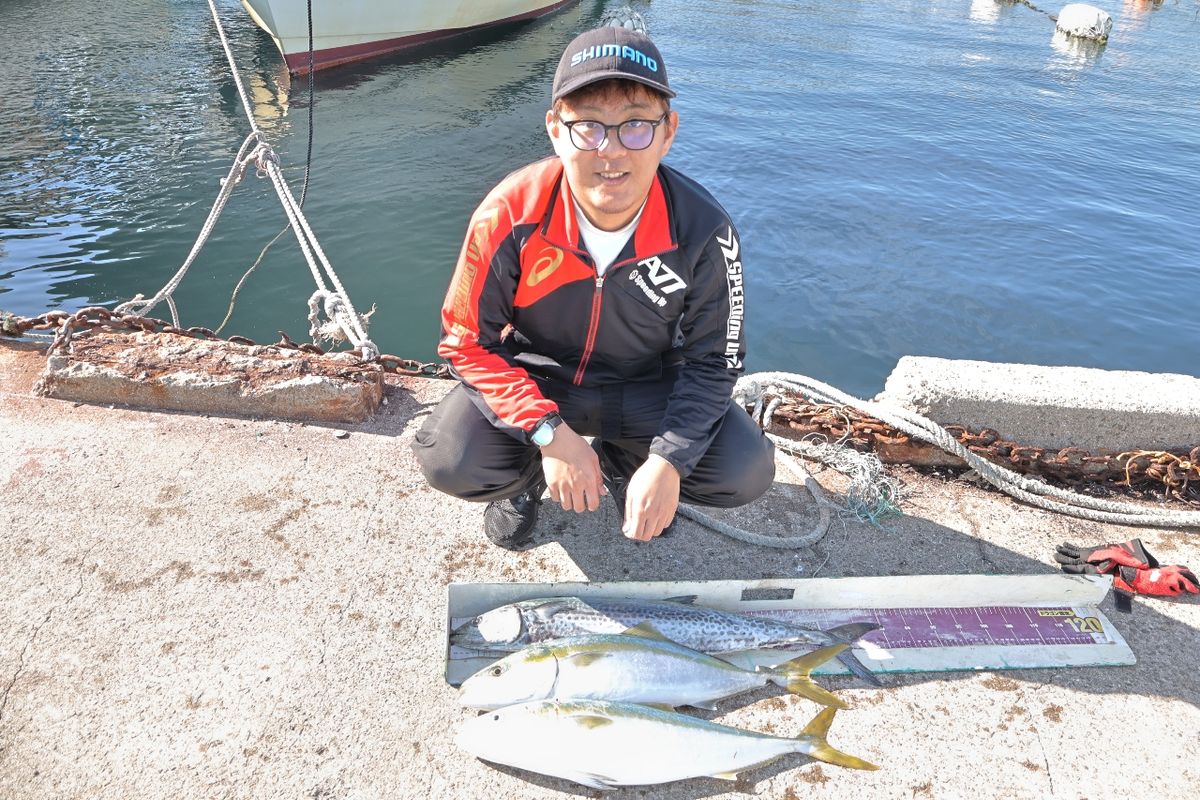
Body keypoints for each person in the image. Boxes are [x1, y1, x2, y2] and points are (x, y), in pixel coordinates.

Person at [413, 23, 775, 548]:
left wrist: (668, 460)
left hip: (647, 384)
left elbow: (713, 360)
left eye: (635, 126)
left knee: (744, 469)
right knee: (450, 457)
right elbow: (467, 341)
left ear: (668, 131)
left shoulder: (704, 231)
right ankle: (523, 483)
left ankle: (629, 461)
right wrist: (548, 434)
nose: (611, 151)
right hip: (540, 376)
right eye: (588, 126)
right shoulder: (510, 213)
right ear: (556, 130)